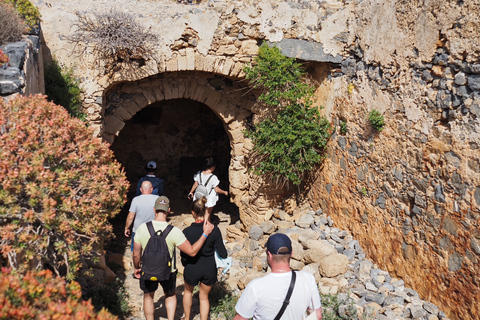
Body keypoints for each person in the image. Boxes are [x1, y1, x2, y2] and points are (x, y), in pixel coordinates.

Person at [133, 196, 214, 320]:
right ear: (169, 210)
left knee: (148, 296)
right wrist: (204, 234)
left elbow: (136, 254)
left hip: (147, 269)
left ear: (154, 210)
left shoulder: (142, 228)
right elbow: (192, 252)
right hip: (168, 271)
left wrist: (136, 267)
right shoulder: (174, 231)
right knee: (170, 295)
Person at [233, 233, 322, 320]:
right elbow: (317, 316)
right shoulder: (307, 279)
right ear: (291, 254)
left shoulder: (255, 287)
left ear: (269, 255)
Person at [181, 196, 228, 320]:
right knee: (204, 297)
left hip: (192, 266)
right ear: (206, 210)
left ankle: (186, 318)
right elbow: (223, 253)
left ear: (193, 213)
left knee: (188, 292)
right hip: (209, 267)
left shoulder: (186, 232)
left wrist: (185, 264)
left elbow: (183, 255)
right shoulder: (214, 230)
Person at [125, 181, 159, 259]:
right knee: (152, 251)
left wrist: (127, 227)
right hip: (153, 229)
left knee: (135, 251)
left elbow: (131, 216)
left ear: (141, 189)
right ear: (152, 189)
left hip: (138, 230)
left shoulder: (136, 200)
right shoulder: (157, 199)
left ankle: (137, 267)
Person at [188, 157, 228, 221]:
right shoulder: (213, 177)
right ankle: (206, 226)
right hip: (209, 198)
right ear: (212, 167)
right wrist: (224, 192)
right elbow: (217, 190)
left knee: (200, 213)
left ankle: (199, 224)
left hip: (199, 195)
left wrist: (191, 192)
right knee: (207, 215)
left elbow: (195, 184)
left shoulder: (199, 174)